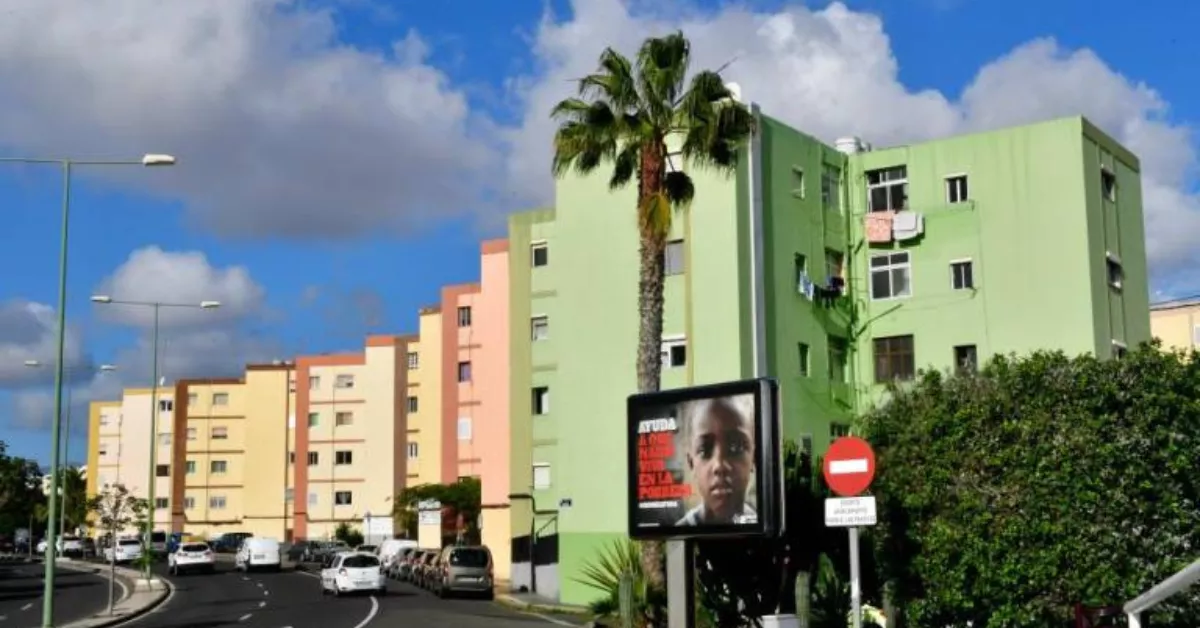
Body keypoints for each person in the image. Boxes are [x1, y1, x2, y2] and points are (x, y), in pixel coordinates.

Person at [675, 394, 758, 526]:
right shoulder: (681, 529)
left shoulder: (764, 527)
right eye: (704, 451)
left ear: (754, 457)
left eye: (735, 448)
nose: (719, 465)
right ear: (691, 463)